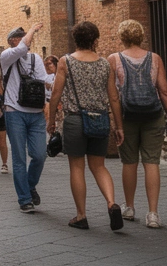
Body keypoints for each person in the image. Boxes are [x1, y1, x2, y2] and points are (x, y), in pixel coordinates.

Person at [47, 21, 125, 230]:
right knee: (99, 166)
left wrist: (51, 120)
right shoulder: (104, 64)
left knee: (77, 167)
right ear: (95, 40)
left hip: (75, 120)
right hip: (100, 120)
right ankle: (111, 202)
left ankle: (81, 215)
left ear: (76, 40)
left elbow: (56, 94)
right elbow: (114, 98)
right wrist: (119, 126)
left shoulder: (66, 62)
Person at [108, 20, 167, 228]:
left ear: (122, 37)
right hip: (153, 115)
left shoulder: (114, 59)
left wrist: (117, 124)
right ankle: (153, 214)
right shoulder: (155, 58)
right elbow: (165, 91)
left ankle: (129, 207)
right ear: (141, 36)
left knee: (129, 162)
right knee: (152, 162)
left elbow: (113, 95)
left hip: (127, 116)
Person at [0, 23, 54, 212]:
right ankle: (24, 199)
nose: (26, 40)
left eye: (25, 36)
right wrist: (31, 29)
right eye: (20, 37)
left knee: (39, 155)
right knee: (19, 157)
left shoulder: (35, 58)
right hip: (14, 112)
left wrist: (56, 85)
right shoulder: (6, 57)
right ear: (12, 42)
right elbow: (22, 47)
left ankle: (29, 186)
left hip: (35, 112)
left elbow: (42, 80)